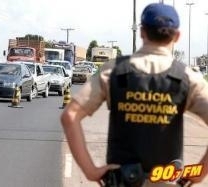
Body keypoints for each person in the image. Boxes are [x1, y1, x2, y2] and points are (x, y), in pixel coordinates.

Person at [61, 3, 208, 187]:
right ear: (177, 36)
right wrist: (201, 171)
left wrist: (90, 171)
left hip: (122, 180)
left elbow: (70, 115)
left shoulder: (114, 71)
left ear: (142, 32)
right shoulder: (188, 77)